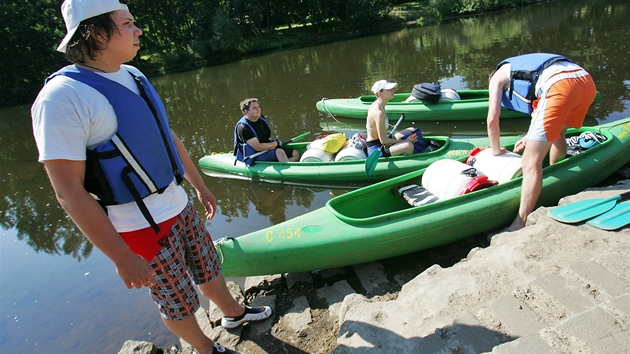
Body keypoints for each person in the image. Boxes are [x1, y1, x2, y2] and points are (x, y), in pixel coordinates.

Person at [30, 1, 271, 353]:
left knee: (207, 265)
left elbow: (167, 137)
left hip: (178, 202)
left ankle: (233, 313)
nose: (138, 30)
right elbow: (67, 191)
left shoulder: (134, 75)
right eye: (127, 23)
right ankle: (206, 348)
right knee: (176, 299)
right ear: (96, 32)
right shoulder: (62, 98)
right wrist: (121, 257)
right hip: (139, 225)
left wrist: (199, 185)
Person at [486, 53, 596, 231]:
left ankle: (520, 222)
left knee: (530, 161)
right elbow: (542, 111)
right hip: (585, 81)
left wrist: (496, 150)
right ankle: (558, 172)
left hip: (559, 87)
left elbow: (492, 118)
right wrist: (529, 136)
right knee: (558, 133)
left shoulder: (496, 78)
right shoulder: (519, 66)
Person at [234, 98, 299, 164]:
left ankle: (282, 164)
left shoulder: (261, 119)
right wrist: (275, 144)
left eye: (258, 107)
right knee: (280, 152)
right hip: (253, 154)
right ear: (246, 111)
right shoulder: (243, 127)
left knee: (295, 153)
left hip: (266, 149)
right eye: (254, 108)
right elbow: (258, 147)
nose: (258, 109)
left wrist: (272, 145)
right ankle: (286, 169)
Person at [365, 80, 418, 157]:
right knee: (408, 145)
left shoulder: (381, 104)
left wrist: (400, 141)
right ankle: (404, 160)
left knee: (411, 130)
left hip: (382, 141)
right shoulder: (378, 113)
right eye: (389, 89)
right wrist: (405, 141)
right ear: (380, 93)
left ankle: (400, 152)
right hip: (376, 149)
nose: (393, 91)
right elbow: (384, 141)